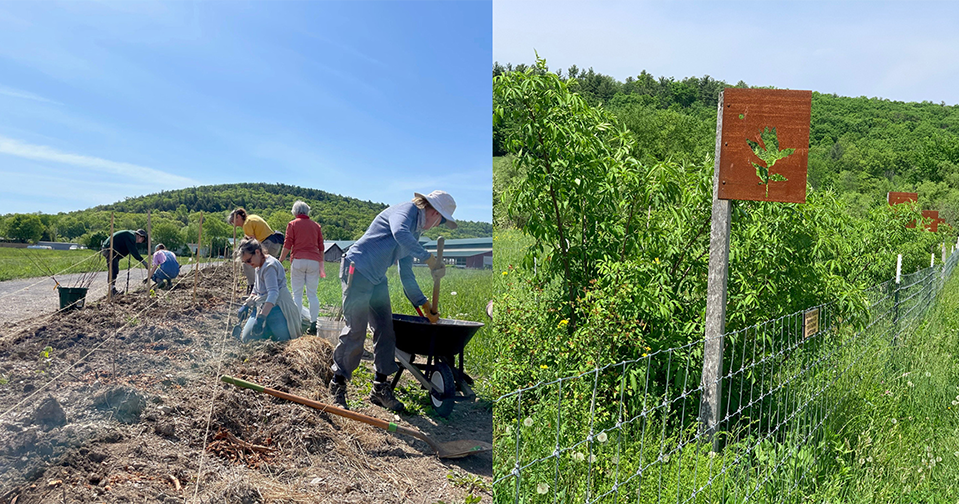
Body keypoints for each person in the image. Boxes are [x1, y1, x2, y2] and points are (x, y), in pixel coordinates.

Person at [328, 190, 456, 412]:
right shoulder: (406, 211)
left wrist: (423, 304)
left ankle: (380, 386)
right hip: (357, 269)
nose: (438, 225)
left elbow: (406, 274)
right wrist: (429, 258)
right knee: (356, 330)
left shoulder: (413, 236)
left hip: (377, 278)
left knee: (386, 330)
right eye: (441, 221)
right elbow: (398, 232)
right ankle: (337, 383)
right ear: (434, 212)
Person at [235, 238, 304, 342]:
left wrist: (261, 317)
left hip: (278, 307)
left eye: (249, 260)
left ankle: (270, 329)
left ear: (257, 252)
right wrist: (246, 305)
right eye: (245, 262)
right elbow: (256, 289)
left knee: (283, 341)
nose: (248, 264)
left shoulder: (269, 266)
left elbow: (273, 293)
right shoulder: (258, 265)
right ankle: (266, 330)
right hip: (264, 305)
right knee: (247, 338)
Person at [278, 200, 326, 336]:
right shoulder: (316, 226)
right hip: (314, 261)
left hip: (298, 260)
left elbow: (288, 244)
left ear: (295, 212)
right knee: (312, 294)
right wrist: (321, 265)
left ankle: (297, 323)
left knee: (297, 294)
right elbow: (321, 247)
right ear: (307, 211)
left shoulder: (292, 224)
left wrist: (280, 260)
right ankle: (314, 324)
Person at [228, 208, 284, 294]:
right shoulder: (252, 218)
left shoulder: (247, 224)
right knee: (265, 266)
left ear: (238, 217)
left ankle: (254, 287)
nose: (234, 225)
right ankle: (269, 288)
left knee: (249, 263)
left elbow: (251, 243)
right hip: (274, 242)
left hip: (268, 243)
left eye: (233, 221)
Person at [101, 229, 149, 296]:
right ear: (140, 236)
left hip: (111, 248)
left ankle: (112, 289)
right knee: (113, 269)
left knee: (114, 269)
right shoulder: (131, 236)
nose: (140, 242)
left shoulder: (129, 235)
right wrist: (143, 262)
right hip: (110, 249)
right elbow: (133, 250)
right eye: (142, 240)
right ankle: (111, 290)